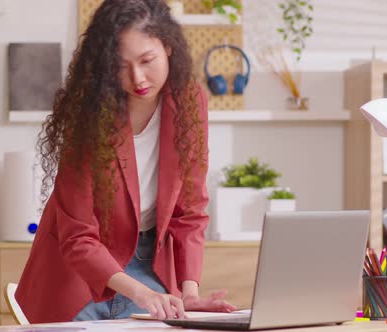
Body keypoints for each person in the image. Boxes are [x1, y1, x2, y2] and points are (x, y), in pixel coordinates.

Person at [15, 0, 236, 323]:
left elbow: (190, 211)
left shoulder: (188, 100)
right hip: (77, 273)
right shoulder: (89, 113)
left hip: (149, 264)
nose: (137, 77)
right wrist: (141, 294)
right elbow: (78, 236)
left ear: (169, 48)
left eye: (148, 60)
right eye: (121, 66)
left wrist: (189, 293)